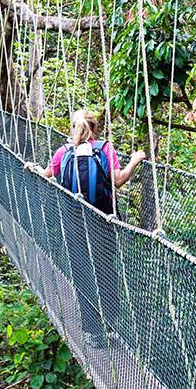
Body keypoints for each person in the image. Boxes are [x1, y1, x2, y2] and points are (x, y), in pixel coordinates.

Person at [42, 110, 145, 348]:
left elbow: (46, 175)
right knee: (106, 271)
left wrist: (30, 168)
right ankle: (109, 327)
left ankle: (92, 332)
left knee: (82, 273)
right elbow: (118, 180)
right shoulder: (104, 149)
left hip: (73, 221)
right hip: (102, 219)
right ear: (95, 129)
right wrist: (135, 160)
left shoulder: (63, 152)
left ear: (73, 128)